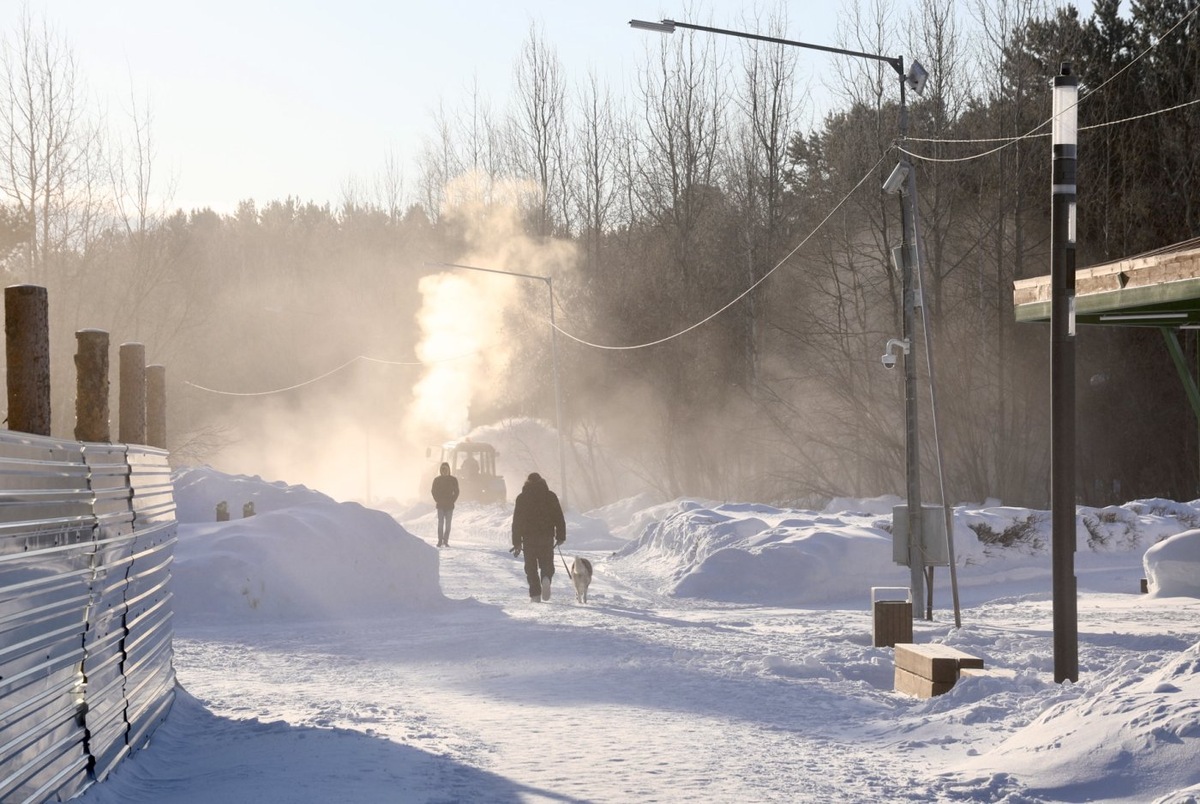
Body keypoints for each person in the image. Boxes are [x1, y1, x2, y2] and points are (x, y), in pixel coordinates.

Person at [510, 472, 566, 602]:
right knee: (547, 563)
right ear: (542, 481)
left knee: (530, 567)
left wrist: (517, 542)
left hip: (529, 538)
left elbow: (517, 522)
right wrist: (561, 536)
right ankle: (546, 578)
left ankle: (535, 594)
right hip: (546, 537)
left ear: (527, 483)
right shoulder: (550, 496)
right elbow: (559, 517)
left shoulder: (522, 498)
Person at [431, 462, 459, 547]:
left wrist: (453, 500)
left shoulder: (453, 480)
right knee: (440, 523)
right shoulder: (437, 480)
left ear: (448, 470)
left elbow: (457, 491)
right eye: (442, 469)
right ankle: (440, 540)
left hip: (449, 506)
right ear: (440, 470)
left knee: (448, 524)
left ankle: (445, 540)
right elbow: (433, 491)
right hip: (440, 506)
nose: (444, 471)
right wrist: (437, 500)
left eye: (446, 469)